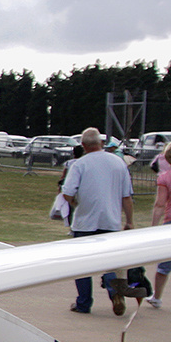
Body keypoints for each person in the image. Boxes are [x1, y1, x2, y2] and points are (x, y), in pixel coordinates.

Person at [61, 127, 136, 314]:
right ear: (101, 143)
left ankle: (84, 302)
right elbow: (126, 196)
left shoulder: (79, 164)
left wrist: (74, 203)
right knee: (109, 261)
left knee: (82, 265)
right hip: (110, 220)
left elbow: (67, 192)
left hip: (85, 221)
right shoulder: (119, 163)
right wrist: (129, 221)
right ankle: (114, 292)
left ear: (84, 146)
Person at [148, 140, 171, 309]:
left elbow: (159, 204)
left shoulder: (165, 178)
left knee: (164, 263)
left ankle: (157, 297)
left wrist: (153, 226)